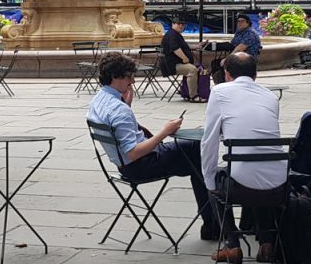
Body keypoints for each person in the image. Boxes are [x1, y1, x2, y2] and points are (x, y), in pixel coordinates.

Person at [87, 52, 215, 239]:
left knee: (194, 155)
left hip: (122, 165)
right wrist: (164, 131)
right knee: (197, 152)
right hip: (141, 165)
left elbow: (120, 135)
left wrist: (127, 106)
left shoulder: (98, 101)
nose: (133, 82)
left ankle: (212, 224)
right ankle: (213, 225)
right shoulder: (118, 109)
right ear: (115, 77)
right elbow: (133, 153)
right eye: (129, 76)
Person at [199, 53, 286, 264]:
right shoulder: (270, 96)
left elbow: (208, 140)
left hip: (241, 185)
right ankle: (266, 243)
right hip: (280, 184)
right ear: (255, 75)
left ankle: (233, 244)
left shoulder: (219, 92)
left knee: (216, 184)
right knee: (256, 171)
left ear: (227, 74)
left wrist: (209, 181)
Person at [161, 17, 201, 102]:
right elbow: (176, 49)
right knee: (192, 69)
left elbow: (184, 47)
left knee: (194, 68)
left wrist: (197, 46)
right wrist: (185, 58)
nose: (181, 26)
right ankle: (193, 96)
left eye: (183, 24)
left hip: (177, 63)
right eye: (178, 24)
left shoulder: (176, 34)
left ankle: (185, 92)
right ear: (173, 24)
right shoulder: (172, 35)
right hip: (172, 65)